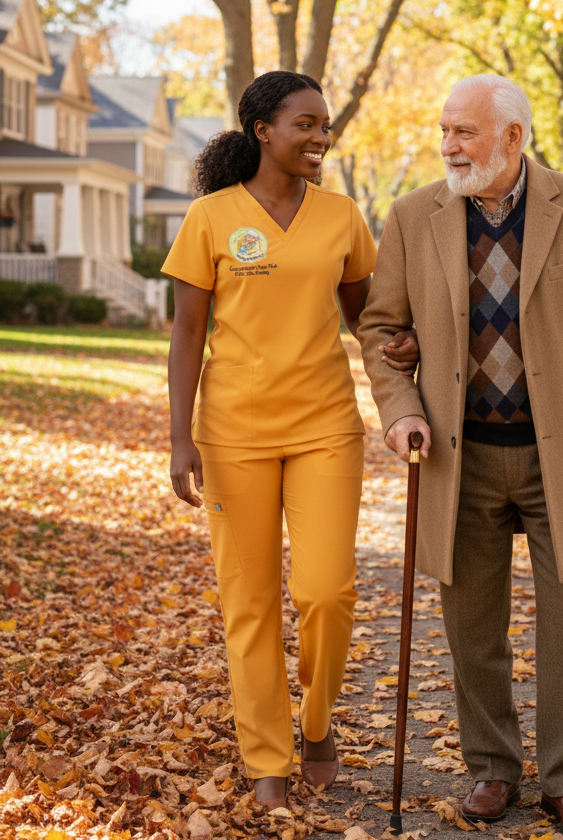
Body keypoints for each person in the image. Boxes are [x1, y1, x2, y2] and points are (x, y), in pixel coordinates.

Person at [358, 74, 563, 840]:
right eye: (445, 129)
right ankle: (492, 768)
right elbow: (379, 332)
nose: (448, 145)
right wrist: (402, 414)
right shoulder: (412, 215)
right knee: (471, 626)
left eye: (465, 132)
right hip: (462, 456)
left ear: (513, 138)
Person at [163, 70, 418, 812]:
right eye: (305, 123)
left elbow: (369, 317)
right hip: (234, 433)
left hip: (324, 428)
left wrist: (399, 348)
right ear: (262, 130)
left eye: (325, 125)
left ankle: (315, 722)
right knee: (248, 603)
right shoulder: (211, 218)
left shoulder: (341, 217)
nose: (320, 137)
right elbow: (186, 334)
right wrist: (180, 440)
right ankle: (267, 758)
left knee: (325, 593)